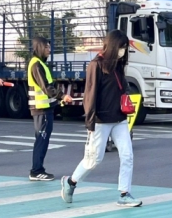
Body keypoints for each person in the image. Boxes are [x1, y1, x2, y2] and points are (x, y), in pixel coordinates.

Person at [60, 30, 141, 207]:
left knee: (127, 155)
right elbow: (90, 95)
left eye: (125, 48)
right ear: (113, 46)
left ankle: (124, 193)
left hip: (119, 118)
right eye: (121, 47)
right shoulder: (96, 65)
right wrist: (90, 122)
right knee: (94, 160)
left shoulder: (118, 64)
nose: (123, 51)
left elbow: (122, 88)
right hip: (100, 120)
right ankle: (71, 182)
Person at [28, 36, 72, 181]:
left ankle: (37, 170)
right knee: (41, 140)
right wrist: (62, 96)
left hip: (44, 108)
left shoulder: (40, 63)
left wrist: (59, 98)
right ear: (39, 48)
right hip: (41, 109)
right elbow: (46, 88)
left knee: (42, 140)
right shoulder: (36, 65)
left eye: (49, 47)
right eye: (46, 47)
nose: (49, 50)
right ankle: (36, 171)